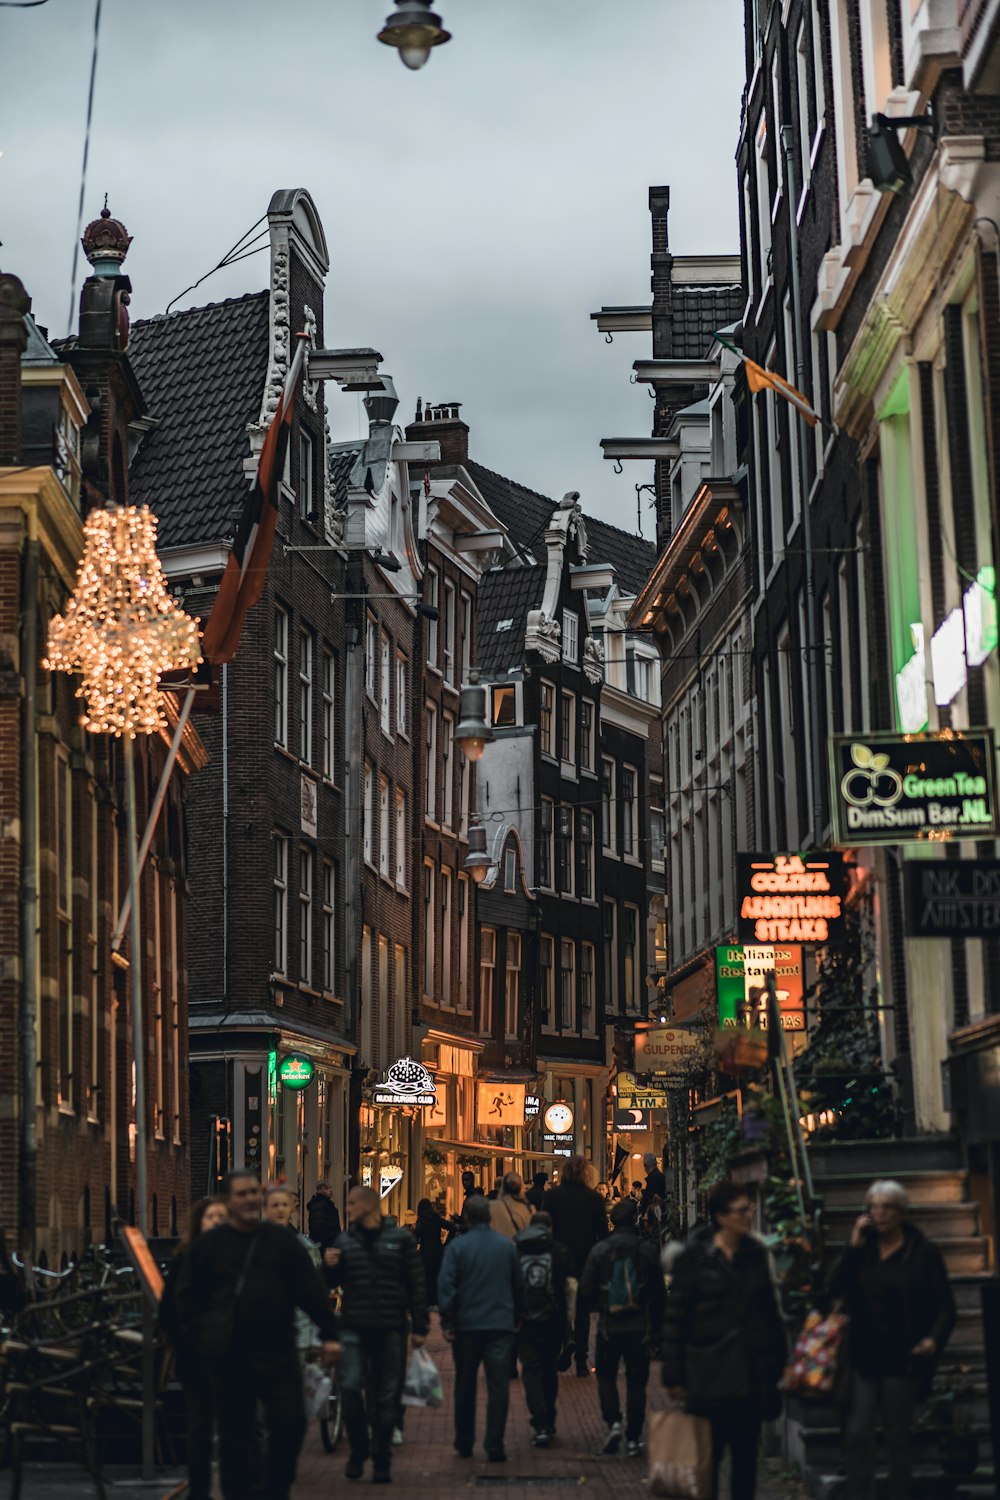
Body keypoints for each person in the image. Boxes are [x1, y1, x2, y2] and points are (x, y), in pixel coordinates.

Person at [177, 1171, 339, 1500]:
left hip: (279, 1352)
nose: (250, 1199)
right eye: (241, 1194)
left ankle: (274, 1488)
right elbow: (180, 1301)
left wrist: (330, 1334)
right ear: (228, 1201)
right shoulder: (208, 1247)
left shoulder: (282, 1244)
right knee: (238, 1432)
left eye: (254, 1193)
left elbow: (311, 1291)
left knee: (290, 1424)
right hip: (230, 1357)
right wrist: (194, 1342)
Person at [828, 1178, 956, 1500]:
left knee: (898, 1435)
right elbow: (831, 1290)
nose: (879, 1214)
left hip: (903, 1357)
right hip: (862, 1355)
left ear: (901, 1212)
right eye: (874, 1207)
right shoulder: (863, 1250)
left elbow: (945, 1306)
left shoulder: (922, 1253)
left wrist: (932, 1340)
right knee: (858, 1433)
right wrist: (853, 1246)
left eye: (886, 1207)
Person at [661, 1182, 786, 1500]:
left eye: (750, 1209)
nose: (748, 1216)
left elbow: (769, 1313)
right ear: (721, 1216)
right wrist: (673, 1374)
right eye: (742, 1211)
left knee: (745, 1460)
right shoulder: (695, 1258)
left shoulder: (755, 1254)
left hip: (748, 1374)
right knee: (708, 1460)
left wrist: (778, 1363)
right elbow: (677, 1317)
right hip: (707, 1374)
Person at [326, 1184, 429, 1484]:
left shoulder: (400, 1240)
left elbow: (416, 1283)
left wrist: (420, 1326)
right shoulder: (344, 1240)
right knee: (350, 1387)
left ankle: (381, 1457)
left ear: (369, 1206)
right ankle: (359, 1449)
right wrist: (331, 1268)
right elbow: (332, 1283)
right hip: (354, 1326)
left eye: (351, 1203)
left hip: (390, 1327)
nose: (347, 1209)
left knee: (387, 1395)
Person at [438, 1192, 524, 1462]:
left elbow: (446, 1285)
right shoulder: (506, 1246)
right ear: (488, 1216)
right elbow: (518, 1285)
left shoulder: (457, 1248)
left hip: (466, 1326)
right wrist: (516, 1317)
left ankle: (464, 1441)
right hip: (499, 1324)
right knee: (498, 1387)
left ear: (466, 1217)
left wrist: (447, 1320)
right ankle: (494, 1443)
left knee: (465, 1384)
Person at [580, 1198, 664, 1458]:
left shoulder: (600, 1250)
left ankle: (613, 1420)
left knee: (606, 1375)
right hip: (639, 1326)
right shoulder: (647, 1251)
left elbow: (585, 1290)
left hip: (609, 1325)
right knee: (637, 1382)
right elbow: (659, 1294)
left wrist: (599, 1302)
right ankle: (633, 1436)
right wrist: (658, 1330)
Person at [159, 1197, 228, 1500]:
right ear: (199, 1222)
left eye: (221, 1217)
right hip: (197, 1358)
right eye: (210, 1216)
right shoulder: (185, 1258)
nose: (215, 1221)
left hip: (231, 1358)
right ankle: (198, 1492)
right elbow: (169, 1308)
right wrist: (185, 1343)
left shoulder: (240, 1259)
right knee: (200, 1428)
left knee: (232, 1428)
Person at [544, 1155, 608, 1375]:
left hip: (558, 1260)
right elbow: (603, 1234)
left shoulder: (552, 1197)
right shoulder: (594, 1199)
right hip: (586, 1260)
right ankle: (581, 1359)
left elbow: (546, 1229)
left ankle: (566, 1338)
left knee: (559, 1306)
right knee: (582, 1310)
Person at [514, 1211, 569, 1447]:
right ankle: (549, 1418)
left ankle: (540, 1420)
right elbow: (569, 1287)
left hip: (525, 1321)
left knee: (530, 1370)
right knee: (549, 1370)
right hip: (552, 1320)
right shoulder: (559, 1251)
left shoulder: (516, 1250)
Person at [489, 1171, 533, 1238]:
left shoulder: (492, 1206)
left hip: (499, 1244)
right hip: (518, 1245)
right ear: (519, 1188)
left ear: (503, 1187)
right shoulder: (527, 1209)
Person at [305, 1179, 342, 1248]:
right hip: (325, 1246)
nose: (330, 1190)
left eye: (330, 1187)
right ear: (319, 1190)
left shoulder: (326, 1205)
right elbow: (318, 1228)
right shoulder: (319, 1205)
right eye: (326, 1188)